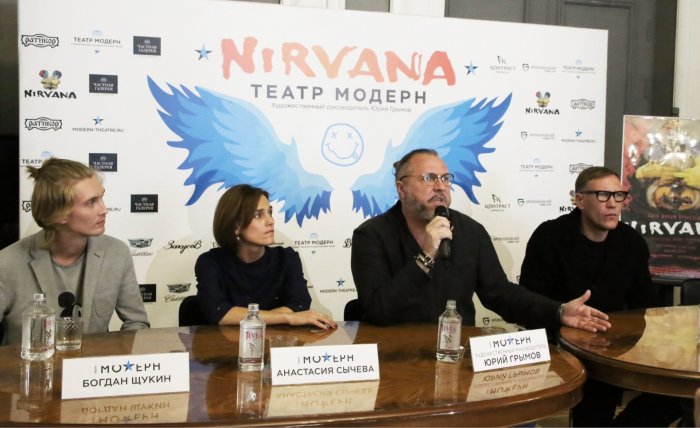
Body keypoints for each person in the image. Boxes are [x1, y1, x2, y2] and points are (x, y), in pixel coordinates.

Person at [351, 148, 611, 332]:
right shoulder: (371, 236)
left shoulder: (470, 232)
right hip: (396, 359)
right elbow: (378, 310)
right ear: (402, 189)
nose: (440, 186)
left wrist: (558, 311)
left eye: (445, 178)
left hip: (455, 355)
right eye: (429, 178)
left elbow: (500, 294)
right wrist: (425, 257)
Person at [520, 166, 681, 427]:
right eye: (603, 195)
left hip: (616, 345)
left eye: (618, 195)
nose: (613, 204)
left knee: (673, 395)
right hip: (562, 344)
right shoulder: (549, 237)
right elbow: (530, 301)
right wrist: (562, 315)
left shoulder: (631, 242)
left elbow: (645, 305)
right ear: (579, 200)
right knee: (596, 400)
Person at [0, 157, 149, 345]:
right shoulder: (7, 263)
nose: (104, 209)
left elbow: (136, 323)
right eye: (91, 202)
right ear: (59, 214)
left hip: (92, 363)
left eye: (101, 198)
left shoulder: (117, 253)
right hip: (28, 363)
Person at [195, 184, 337, 330]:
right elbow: (218, 312)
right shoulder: (210, 262)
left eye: (270, 212)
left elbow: (299, 304)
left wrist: (248, 317)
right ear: (236, 226)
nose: (271, 221)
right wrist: (286, 317)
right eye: (258, 215)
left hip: (277, 342)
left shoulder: (286, 258)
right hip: (228, 343)